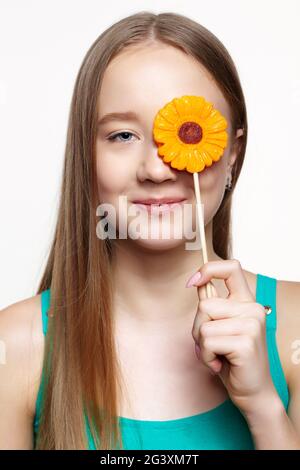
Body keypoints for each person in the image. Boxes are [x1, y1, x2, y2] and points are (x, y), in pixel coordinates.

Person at [0, 11, 300, 451]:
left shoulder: (293, 329)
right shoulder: (16, 347)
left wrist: (262, 406)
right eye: (122, 135)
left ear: (233, 153)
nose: (156, 170)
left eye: (186, 133)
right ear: (86, 154)